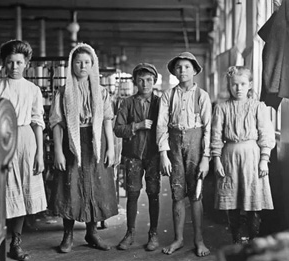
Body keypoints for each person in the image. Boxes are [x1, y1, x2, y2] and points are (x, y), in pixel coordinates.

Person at [49, 43, 118, 253]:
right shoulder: (63, 92)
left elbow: (107, 121)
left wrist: (110, 148)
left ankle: (92, 232)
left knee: (95, 186)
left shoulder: (101, 91)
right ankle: (68, 235)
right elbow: (56, 124)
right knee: (70, 185)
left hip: (95, 141)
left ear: (93, 64)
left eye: (87, 62)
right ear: (72, 65)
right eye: (78, 62)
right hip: (72, 141)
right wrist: (59, 151)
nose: (83, 66)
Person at [0, 39, 47, 261]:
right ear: (4, 63)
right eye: (10, 62)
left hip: (25, 141)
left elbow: (37, 122)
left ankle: (16, 243)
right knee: (1, 190)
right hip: (0, 139)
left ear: (27, 64)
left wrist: (40, 153)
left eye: (19, 62)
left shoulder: (33, 89)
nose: (14, 67)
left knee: (22, 191)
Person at [211, 66, 275, 244]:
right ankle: (237, 241)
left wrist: (264, 159)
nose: (238, 88)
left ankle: (253, 242)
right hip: (229, 157)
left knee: (253, 202)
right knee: (232, 203)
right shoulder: (222, 108)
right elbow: (215, 136)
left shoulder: (258, 107)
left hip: (252, 158)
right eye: (234, 85)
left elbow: (266, 134)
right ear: (229, 86)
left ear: (250, 85)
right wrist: (216, 160)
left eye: (242, 84)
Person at [157, 52, 211, 257]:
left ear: (195, 70)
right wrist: (163, 153)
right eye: (179, 67)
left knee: (196, 194)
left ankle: (199, 240)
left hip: (196, 144)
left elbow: (209, 128)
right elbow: (161, 126)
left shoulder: (202, 96)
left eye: (187, 67)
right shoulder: (168, 95)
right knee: (177, 193)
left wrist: (206, 157)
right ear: (174, 71)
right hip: (174, 145)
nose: (182, 70)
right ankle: (178, 239)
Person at [114, 63, 161, 251]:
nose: (145, 84)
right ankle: (130, 233)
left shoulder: (160, 102)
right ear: (135, 81)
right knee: (132, 194)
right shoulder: (127, 103)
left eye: (149, 80)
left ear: (154, 81)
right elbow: (117, 129)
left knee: (154, 194)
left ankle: (154, 234)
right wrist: (137, 125)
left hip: (154, 154)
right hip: (133, 155)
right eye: (141, 80)